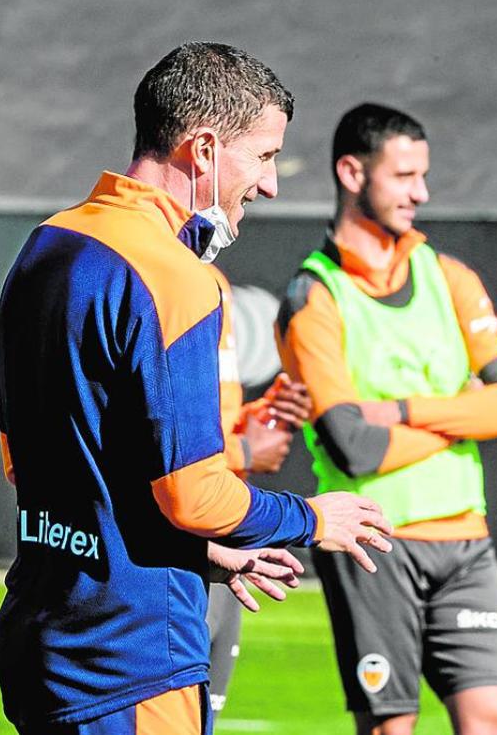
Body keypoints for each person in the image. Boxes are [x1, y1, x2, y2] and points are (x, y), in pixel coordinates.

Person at [0, 42, 392, 735]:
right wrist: (314, 519)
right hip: (131, 656)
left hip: (42, 638)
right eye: (264, 157)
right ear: (202, 149)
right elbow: (193, 493)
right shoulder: (175, 275)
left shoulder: (45, 245)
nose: (269, 185)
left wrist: (202, 552)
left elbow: (35, 461)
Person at [275, 103, 497, 735]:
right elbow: (352, 444)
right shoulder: (314, 295)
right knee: (390, 729)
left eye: (423, 175)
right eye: (405, 176)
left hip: (467, 542)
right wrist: (461, 417)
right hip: (371, 539)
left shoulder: (450, 277)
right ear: (352, 173)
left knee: (493, 721)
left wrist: (405, 412)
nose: (422, 193)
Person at [204, 261, 313, 716]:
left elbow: (204, 418)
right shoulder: (146, 275)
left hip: (224, 529)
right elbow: (138, 443)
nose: (269, 185)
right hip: (170, 545)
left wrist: (259, 418)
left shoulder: (215, 281)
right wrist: (243, 452)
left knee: (202, 717)